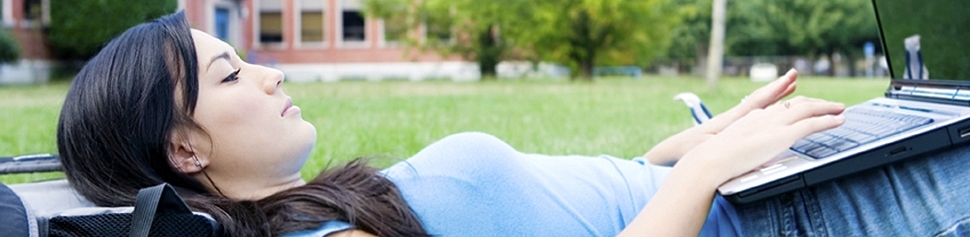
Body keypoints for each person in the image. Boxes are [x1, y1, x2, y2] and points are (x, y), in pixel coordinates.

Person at [55, 12, 970, 237]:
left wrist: (686, 147)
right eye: (233, 72)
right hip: (779, 217)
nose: (272, 69)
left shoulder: (318, 206)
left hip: (750, 186)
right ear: (185, 146)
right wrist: (706, 171)